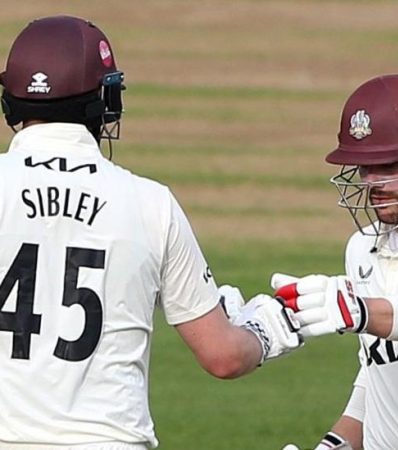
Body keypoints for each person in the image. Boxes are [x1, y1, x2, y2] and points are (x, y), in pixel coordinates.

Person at [0, 16, 303, 449]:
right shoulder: (148, 203)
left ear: (10, 101)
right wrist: (268, 328)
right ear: (105, 100)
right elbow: (224, 356)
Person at [273, 74, 398, 450]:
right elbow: (379, 373)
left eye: (388, 165)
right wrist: (334, 445)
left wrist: (360, 311)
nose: (372, 182)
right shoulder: (361, 248)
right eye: (363, 167)